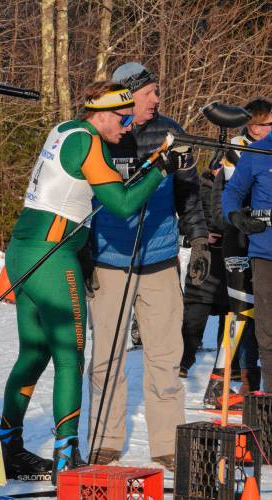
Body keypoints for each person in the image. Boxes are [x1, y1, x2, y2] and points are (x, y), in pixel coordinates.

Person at [0, 81, 172, 485]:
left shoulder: (64, 130)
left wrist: (151, 164)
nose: (127, 127)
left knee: (34, 354)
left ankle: (8, 444)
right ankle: (66, 455)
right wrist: (161, 169)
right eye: (123, 118)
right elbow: (123, 204)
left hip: (25, 249)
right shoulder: (90, 142)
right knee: (70, 356)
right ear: (103, 113)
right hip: (52, 256)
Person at [87, 63, 209, 471]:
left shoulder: (172, 131)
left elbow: (189, 194)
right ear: (130, 94)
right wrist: (82, 252)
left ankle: (168, 443)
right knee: (106, 355)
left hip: (158, 261)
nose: (157, 99)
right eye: (151, 92)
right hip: (109, 260)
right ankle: (105, 439)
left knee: (165, 355)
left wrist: (196, 239)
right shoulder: (100, 136)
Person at [204, 98, 272, 407]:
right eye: (255, 123)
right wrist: (232, 217)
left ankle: (247, 381)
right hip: (248, 242)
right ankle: (236, 384)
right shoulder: (243, 152)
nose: (258, 129)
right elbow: (229, 192)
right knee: (246, 313)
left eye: (264, 123)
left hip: (254, 242)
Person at [222, 101, 272, 393]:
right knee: (266, 332)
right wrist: (234, 215)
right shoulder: (257, 153)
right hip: (265, 252)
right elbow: (232, 192)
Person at [179, 162, 229, 379]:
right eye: (219, 167)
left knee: (230, 318)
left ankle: (224, 368)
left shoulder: (238, 189)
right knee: (194, 318)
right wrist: (200, 234)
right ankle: (182, 362)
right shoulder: (198, 188)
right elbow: (184, 220)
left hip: (230, 262)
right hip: (205, 260)